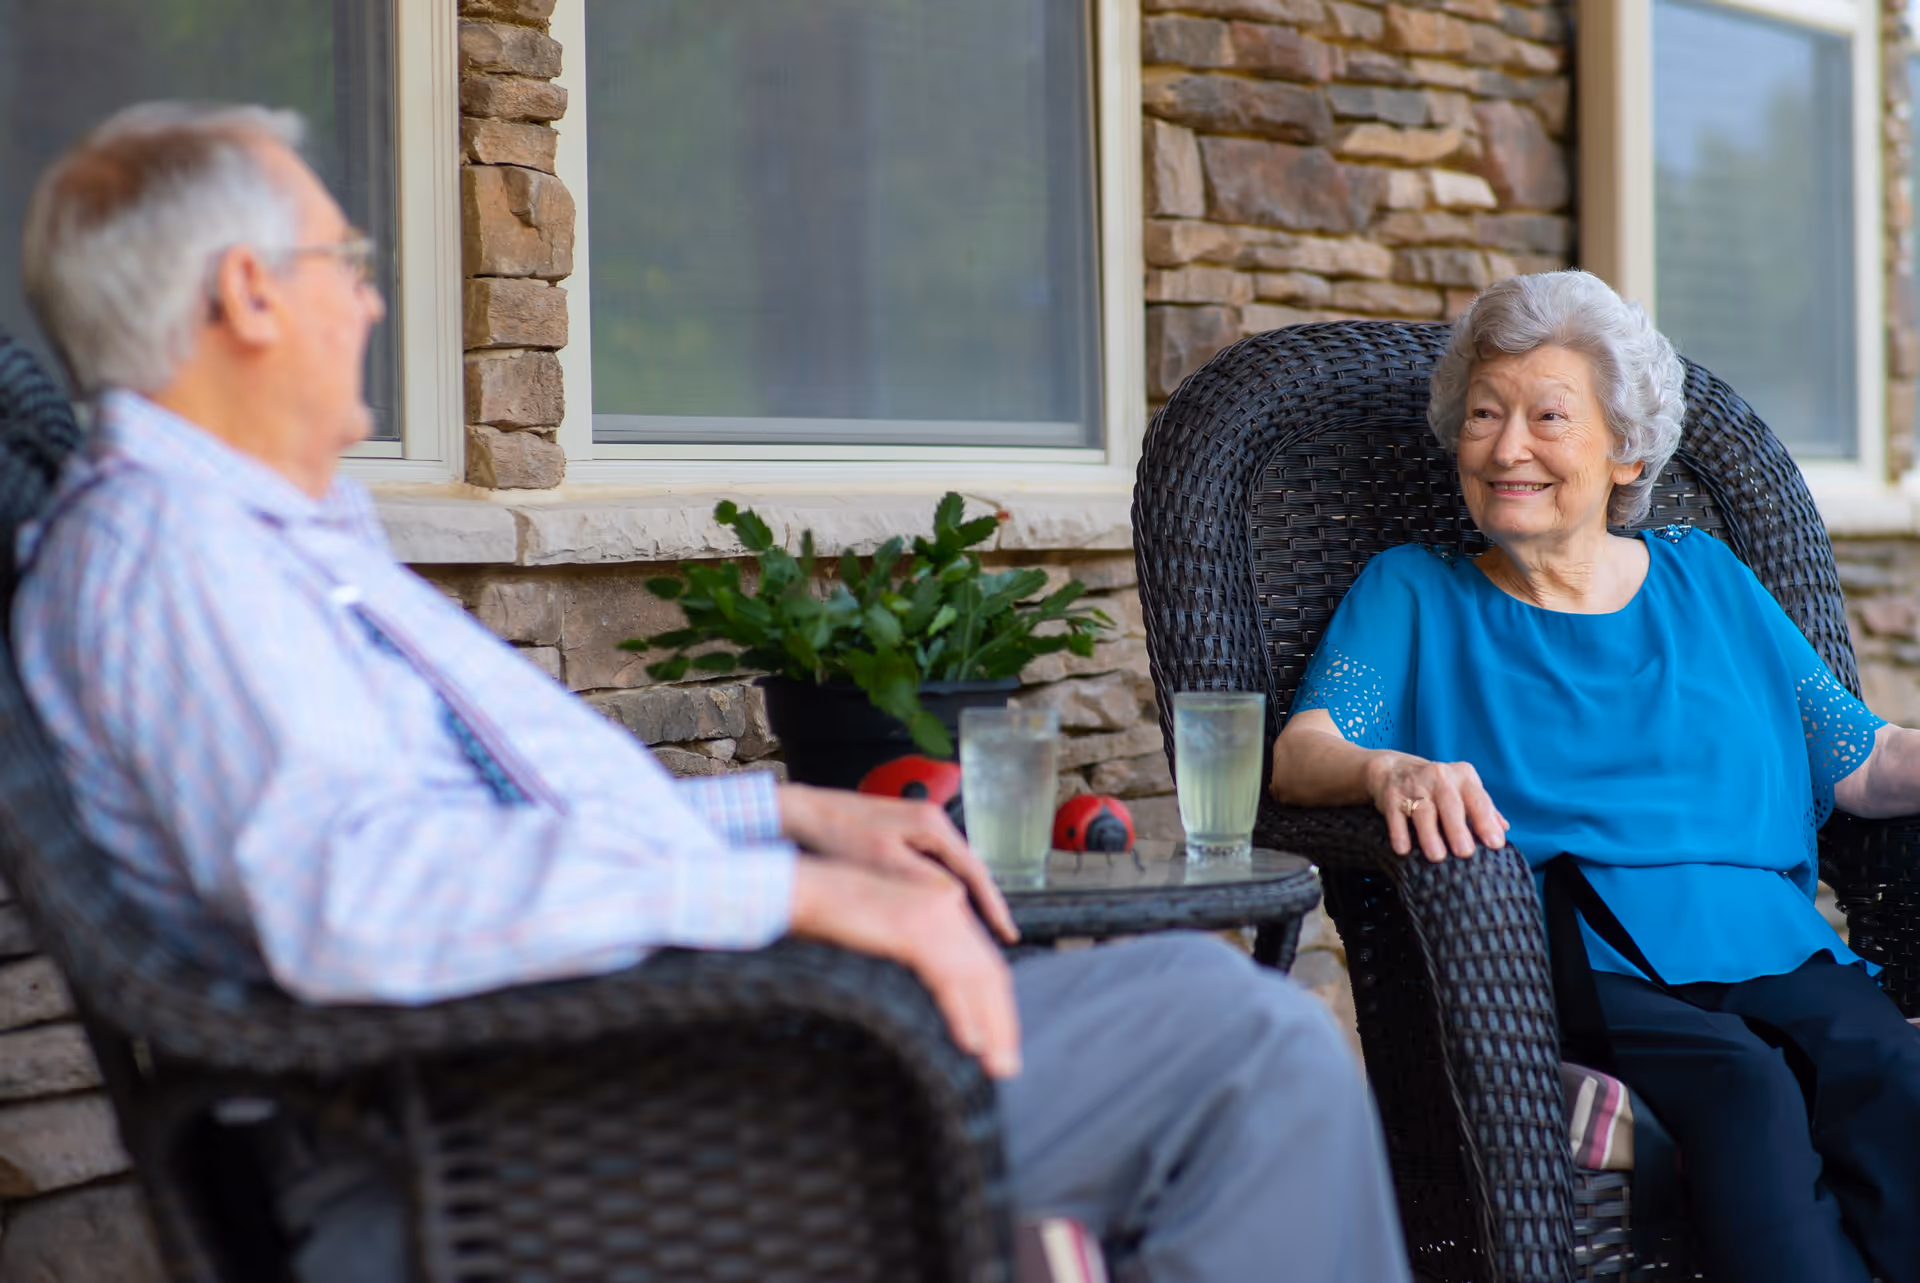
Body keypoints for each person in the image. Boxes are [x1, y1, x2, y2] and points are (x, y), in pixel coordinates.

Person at [12, 102, 1410, 1283]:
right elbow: (358, 898)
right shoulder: (176, 556)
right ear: (249, 294)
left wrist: (781, 818)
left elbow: (475, 831)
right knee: (1239, 1044)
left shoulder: (263, 537)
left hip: (607, 1069)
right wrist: (790, 896)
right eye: (346, 258)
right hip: (521, 1132)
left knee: (1172, 1006)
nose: (372, 295)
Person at [1271, 268, 1920, 1283]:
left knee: (1890, 1069)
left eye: (1546, 416)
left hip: (1770, 941)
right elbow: (1305, 747)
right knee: (1745, 1089)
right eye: (1484, 415)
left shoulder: (1709, 576)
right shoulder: (1413, 591)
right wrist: (1389, 767)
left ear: (1626, 449)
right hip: (1585, 951)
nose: (1506, 446)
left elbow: (1864, 758)